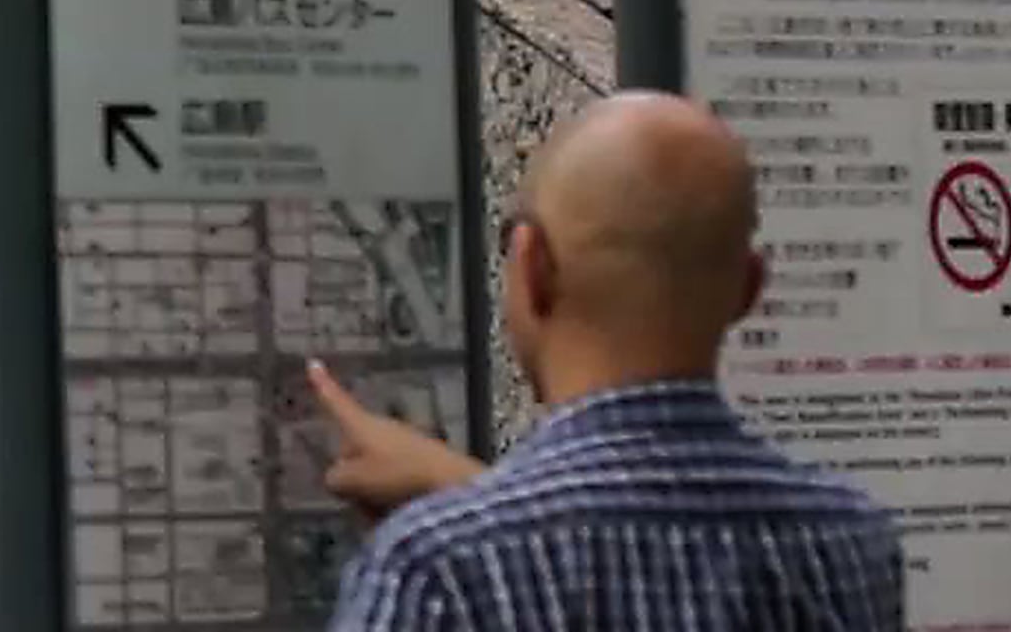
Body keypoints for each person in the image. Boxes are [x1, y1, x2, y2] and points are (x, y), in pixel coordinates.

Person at [306, 90, 903, 630]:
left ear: (532, 267)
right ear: (748, 291)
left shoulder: (437, 572)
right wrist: (463, 488)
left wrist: (465, 504)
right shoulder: (852, 541)